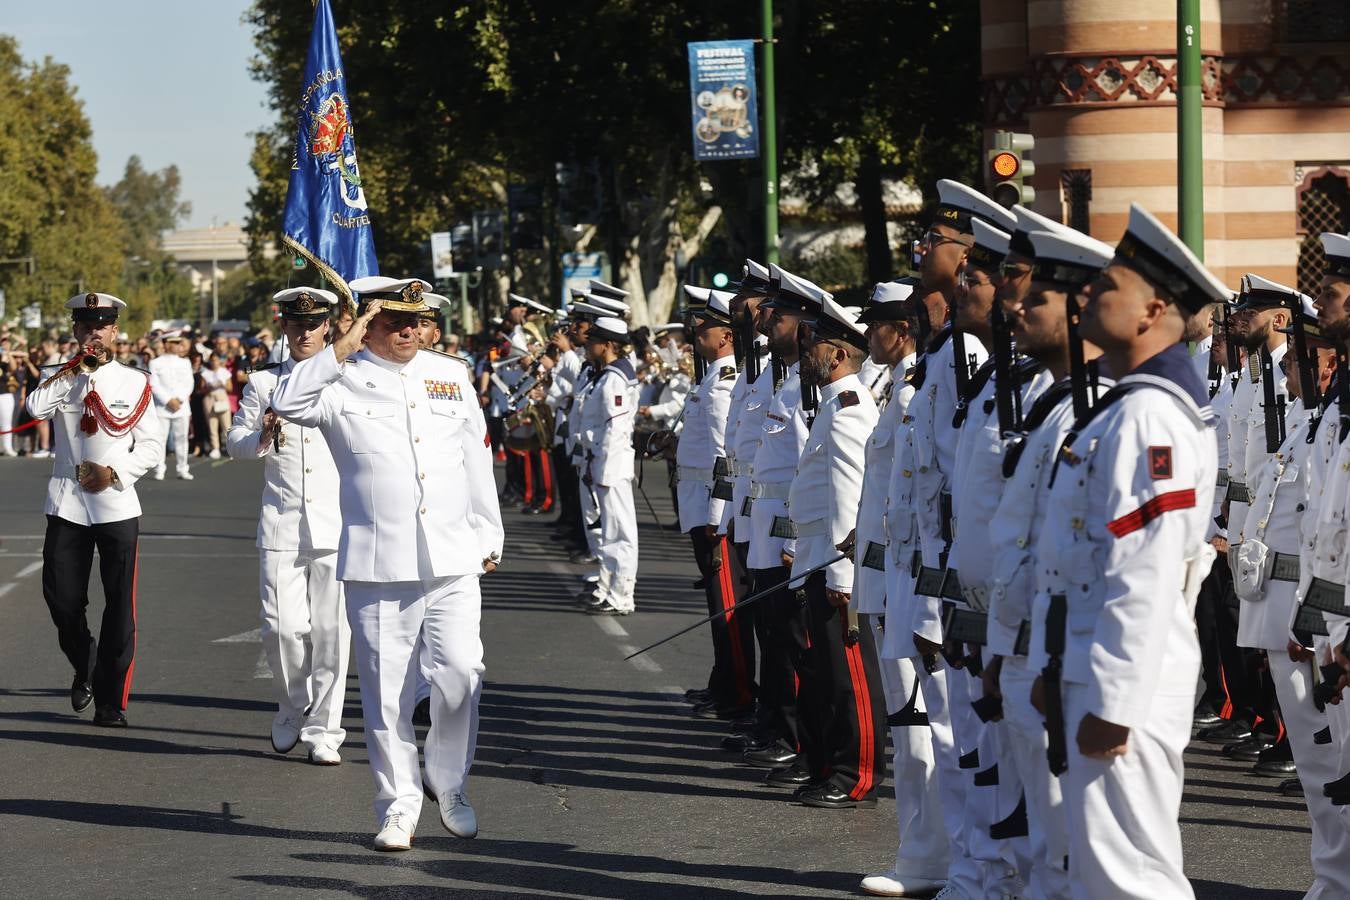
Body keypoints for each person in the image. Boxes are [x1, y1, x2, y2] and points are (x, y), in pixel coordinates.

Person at [270, 275, 503, 852]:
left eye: (415, 319)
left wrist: (488, 532)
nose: (409, 330)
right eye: (394, 320)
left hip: (451, 554)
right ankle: (398, 803)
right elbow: (286, 402)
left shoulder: (448, 375)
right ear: (364, 324)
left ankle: (448, 782)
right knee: (387, 692)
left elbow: (473, 457)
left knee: (459, 677)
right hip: (379, 562)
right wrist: (339, 345)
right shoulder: (337, 380)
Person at [1036, 203, 1227, 897]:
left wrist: (1113, 702)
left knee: (1130, 878)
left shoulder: (1150, 415)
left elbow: (1143, 575)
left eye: (1105, 287)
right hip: (1092, 663)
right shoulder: (1127, 405)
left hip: (1127, 681)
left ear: (1151, 312)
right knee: (1101, 870)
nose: (1087, 294)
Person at [25, 292, 164, 726]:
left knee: (120, 605)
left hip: (116, 503)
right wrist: (71, 371)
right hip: (67, 502)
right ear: (75, 331)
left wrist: (115, 473)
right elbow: (33, 407)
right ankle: (84, 662)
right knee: (62, 599)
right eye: (86, 327)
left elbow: (153, 446)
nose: (94, 334)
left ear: (115, 331)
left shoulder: (134, 381)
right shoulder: (58, 376)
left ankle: (110, 700)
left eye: (101, 326)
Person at [227, 287, 350, 766]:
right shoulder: (263, 382)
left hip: (338, 522)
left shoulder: (347, 381)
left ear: (327, 327)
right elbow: (235, 440)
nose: (304, 332)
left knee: (331, 631)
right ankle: (290, 704)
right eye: (295, 324)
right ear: (284, 327)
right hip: (281, 520)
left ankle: (326, 729)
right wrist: (260, 435)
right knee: (280, 628)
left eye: (313, 323)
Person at [578, 316, 640, 615]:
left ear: (608, 345)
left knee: (620, 531)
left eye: (593, 341)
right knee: (610, 529)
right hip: (603, 459)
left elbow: (615, 428)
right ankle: (609, 588)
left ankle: (622, 595)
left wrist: (602, 467)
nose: (588, 345)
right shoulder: (607, 374)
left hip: (611, 463)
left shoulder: (615, 377)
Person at [149, 331, 195, 480]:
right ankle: (159, 468)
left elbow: (189, 383)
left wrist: (179, 399)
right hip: (163, 407)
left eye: (178, 343)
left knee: (182, 439)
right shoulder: (155, 362)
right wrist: (168, 400)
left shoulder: (185, 362)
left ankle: (182, 468)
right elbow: (153, 384)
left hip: (181, 407)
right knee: (160, 439)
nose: (178, 345)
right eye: (175, 343)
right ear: (167, 344)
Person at [201, 352, 233, 459]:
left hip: (221, 396)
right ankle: (215, 448)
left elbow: (230, 388)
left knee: (226, 425)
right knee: (212, 424)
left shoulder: (224, 372)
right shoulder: (205, 373)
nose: (214, 362)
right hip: (210, 397)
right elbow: (201, 389)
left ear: (219, 361)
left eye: (216, 360)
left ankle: (230, 447)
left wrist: (222, 384)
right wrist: (208, 387)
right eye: (212, 360)